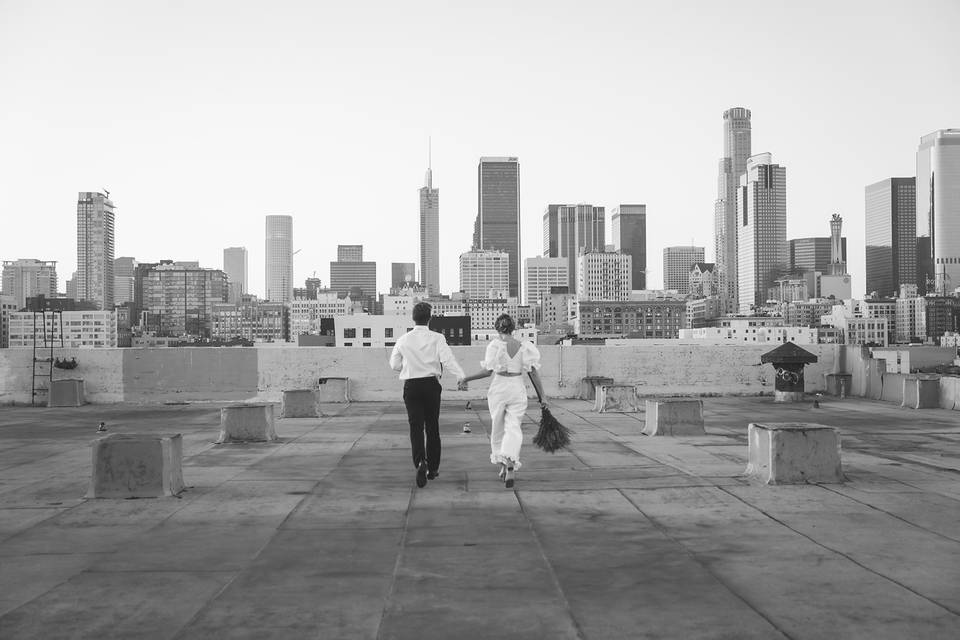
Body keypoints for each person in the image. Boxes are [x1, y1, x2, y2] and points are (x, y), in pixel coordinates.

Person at [459, 314, 546, 488]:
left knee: (498, 428)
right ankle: (509, 465)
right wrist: (543, 397)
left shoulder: (495, 345)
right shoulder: (524, 347)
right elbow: (533, 373)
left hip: (499, 388)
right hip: (517, 387)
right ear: (513, 328)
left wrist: (466, 378)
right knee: (513, 428)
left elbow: (487, 372)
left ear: (497, 329)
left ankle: (504, 465)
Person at [389, 302, 465, 488]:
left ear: (413, 318)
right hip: (431, 385)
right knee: (432, 427)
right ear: (429, 318)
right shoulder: (437, 338)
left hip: (411, 387)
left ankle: (420, 462)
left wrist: (408, 366)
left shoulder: (403, 340)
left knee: (415, 428)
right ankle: (433, 468)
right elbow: (447, 360)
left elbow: (394, 365)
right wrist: (461, 376)